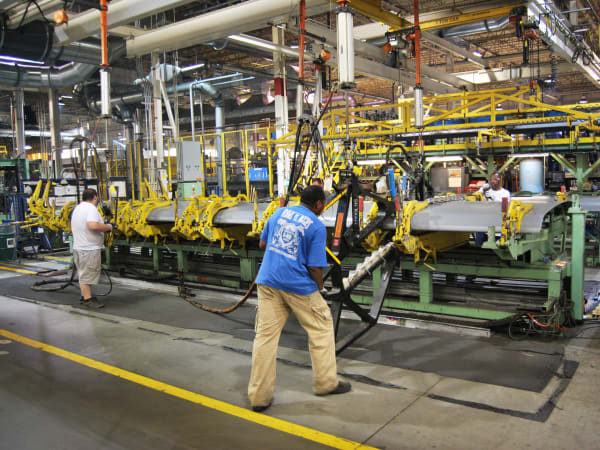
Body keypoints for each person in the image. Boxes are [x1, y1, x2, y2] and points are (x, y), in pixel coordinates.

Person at [248, 185, 351, 413]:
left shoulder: (279, 212)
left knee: (265, 337)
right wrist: (320, 287)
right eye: (323, 204)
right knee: (322, 326)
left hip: (268, 281)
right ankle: (326, 383)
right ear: (318, 204)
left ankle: (259, 397)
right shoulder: (316, 225)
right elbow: (315, 267)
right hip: (297, 286)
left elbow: (263, 244)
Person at [70, 188, 112, 308]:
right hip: (88, 249)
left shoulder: (78, 208)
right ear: (95, 197)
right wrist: (108, 227)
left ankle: (84, 296)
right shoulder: (91, 209)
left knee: (83, 274)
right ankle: (88, 300)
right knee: (87, 275)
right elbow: (93, 225)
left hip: (79, 247)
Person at [475, 171, 511, 247]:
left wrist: (492, 199)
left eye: (494, 179)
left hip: (498, 227)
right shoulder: (487, 191)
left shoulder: (505, 193)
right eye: (491, 179)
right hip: (485, 225)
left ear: (500, 180)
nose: (492, 181)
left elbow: (504, 208)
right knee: (479, 245)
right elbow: (475, 198)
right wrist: (481, 191)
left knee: (495, 248)